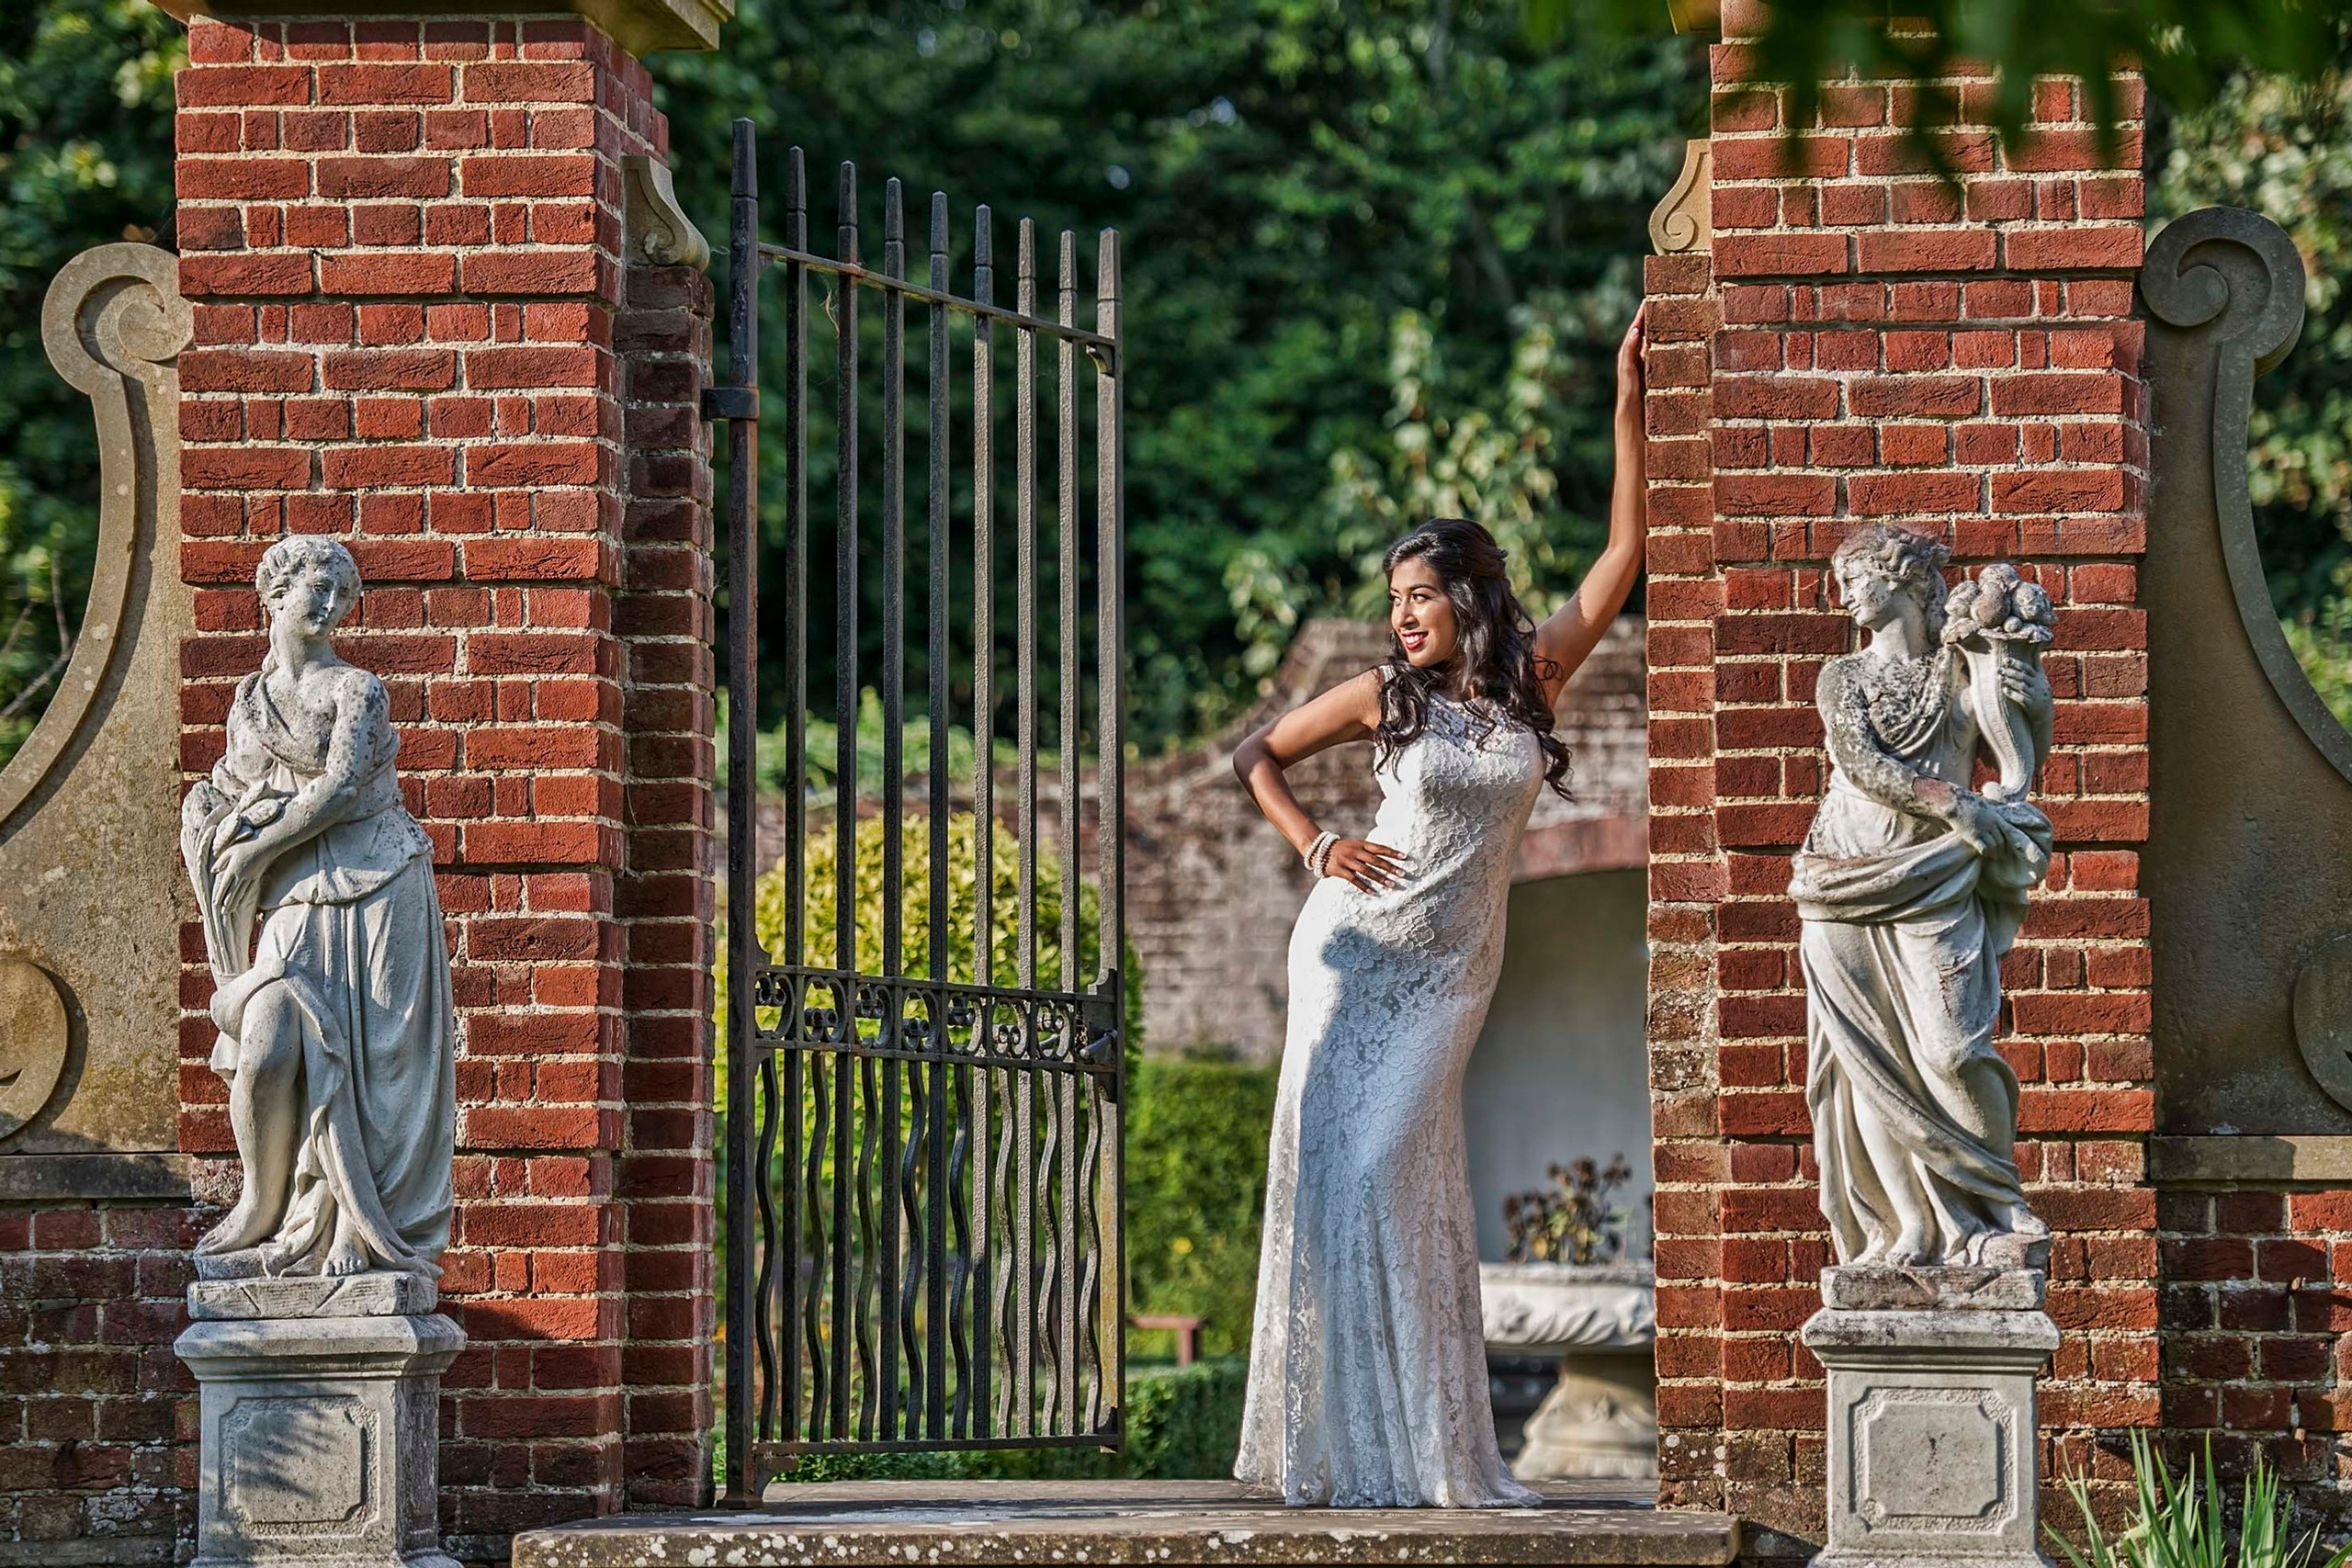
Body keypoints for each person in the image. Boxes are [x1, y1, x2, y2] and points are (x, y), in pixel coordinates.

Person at [1228, 307, 1648, 1507]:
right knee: (1347, 1177)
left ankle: (1427, 1446)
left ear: (1471, 594)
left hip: (1450, 975)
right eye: (1394, 596)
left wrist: (1625, 407)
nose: (1402, 614)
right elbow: (1259, 753)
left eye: (1420, 593)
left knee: (1399, 1168)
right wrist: (1318, 845)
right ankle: (1348, 1450)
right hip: (1353, 956)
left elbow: (1623, 555)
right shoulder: (1381, 694)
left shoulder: (1535, 680)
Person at [183, 535, 455, 1281]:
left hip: (380, 881)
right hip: (299, 893)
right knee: (271, 1039)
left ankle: (356, 1232)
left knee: (374, 1064)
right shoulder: (250, 703)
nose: (331, 605)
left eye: (342, 593)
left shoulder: (357, 690)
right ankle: (264, 1204)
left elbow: (337, 789)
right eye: (317, 588)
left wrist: (256, 848)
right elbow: (241, 791)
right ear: (273, 596)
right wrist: (211, 828)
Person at [1790, 524, 2054, 1269]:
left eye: (1859, 575)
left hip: (1935, 875)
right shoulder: (1841, 677)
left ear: (1906, 582)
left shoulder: (1959, 670)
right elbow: (1860, 761)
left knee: (1953, 1048)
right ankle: (1907, 1224)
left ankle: (1999, 1196)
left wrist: (2030, 698)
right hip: (1841, 879)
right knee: (1868, 1063)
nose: (1845, 591)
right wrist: (1951, 800)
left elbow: (2016, 748)